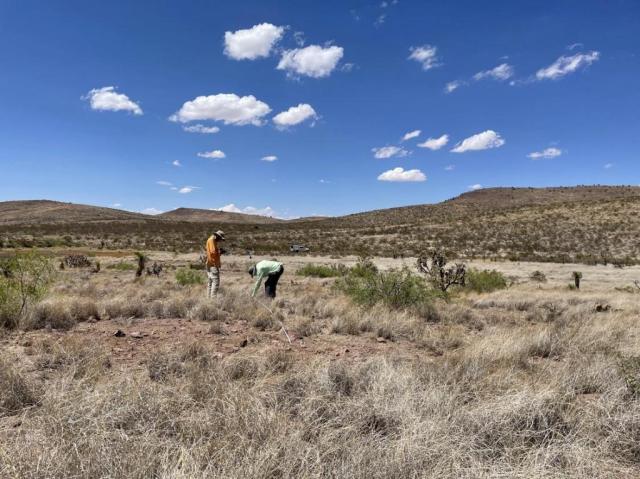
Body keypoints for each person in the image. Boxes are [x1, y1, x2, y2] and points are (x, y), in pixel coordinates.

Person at [205, 230, 225, 297]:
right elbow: (213, 253)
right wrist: (220, 252)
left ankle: (209, 300)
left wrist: (219, 252)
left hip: (210, 264)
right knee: (215, 282)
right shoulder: (212, 240)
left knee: (210, 283)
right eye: (220, 239)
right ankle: (213, 299)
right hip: (213, 265)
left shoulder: (211, 240)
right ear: (217, 236)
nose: (220, 241)